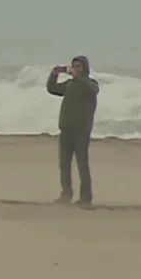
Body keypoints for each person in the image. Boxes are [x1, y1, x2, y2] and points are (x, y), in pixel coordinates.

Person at [46, 55, 100, 206]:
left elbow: (93, 90)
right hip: (66, 129)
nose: (75, 69)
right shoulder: (70, 84)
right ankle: (66, 194)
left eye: (79, 67)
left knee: (82, 163)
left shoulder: (90, 84)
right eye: (74, 66)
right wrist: (54, 74)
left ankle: (85, 198)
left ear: (85, 68)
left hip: (81, 131)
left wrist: (78, 77)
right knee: (64, 163)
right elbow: (52, 89)